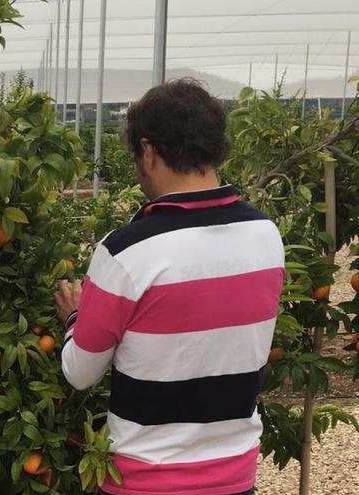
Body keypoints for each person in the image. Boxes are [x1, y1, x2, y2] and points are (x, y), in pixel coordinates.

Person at [55, 78, 285, 495]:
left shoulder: (126, 252)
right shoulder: (266, 236)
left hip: (144, 480)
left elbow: (79, 372)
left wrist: (75, 316)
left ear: (148, 150)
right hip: (234, 478)